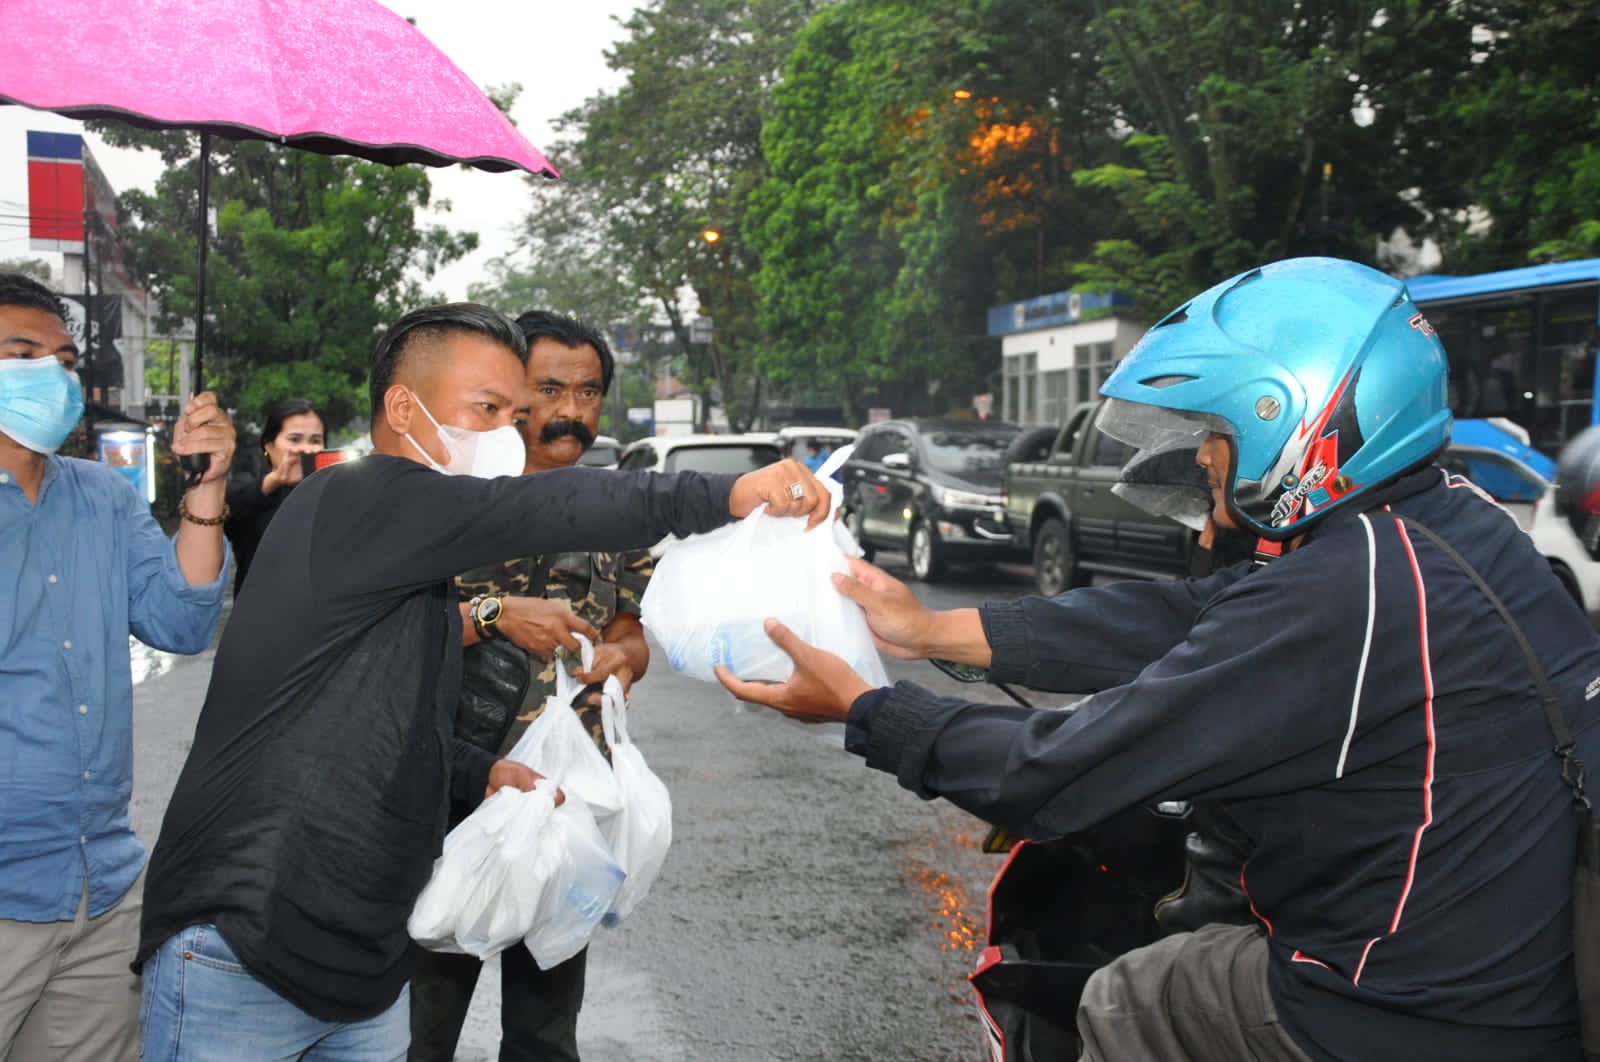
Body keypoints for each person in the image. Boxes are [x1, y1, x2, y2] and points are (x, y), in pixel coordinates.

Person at [719, 258, 1600, 1061]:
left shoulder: (1343, 592)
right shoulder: (1449, 523)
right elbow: (1190, 616)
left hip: (1398, 1017)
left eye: (1217, 428)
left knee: (1130, 998)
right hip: (1514, 979)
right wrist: (928, 630)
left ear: (1295, 416)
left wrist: (866, 710)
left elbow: (1055, 775)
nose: (1207, 457)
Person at [134, 302, 829, 1060]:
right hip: (244, 948)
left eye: (515, 413)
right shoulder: (354, 499)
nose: (510, 431)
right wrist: (725, 494)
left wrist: (486, 770)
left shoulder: (416, 574)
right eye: (490, 409)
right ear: (404, 407)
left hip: (362, 975)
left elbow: (401, 716)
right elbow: (547, 504)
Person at [0, 272, 233, 1061]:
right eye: (22, 353)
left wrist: (208, 488)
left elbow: (180, 619)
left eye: (63, 358)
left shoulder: (103, 496)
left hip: (101, 883)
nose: (52, 376)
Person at [409, 310, 647, 1062]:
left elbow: (632, 630)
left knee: (546, 1031)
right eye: (549, 389)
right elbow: (387, 627)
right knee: (419, 1017)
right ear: (512, 392)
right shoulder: (443, 501)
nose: (571, 411)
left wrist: (624, 659)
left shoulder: (620, 515)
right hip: (448, 785)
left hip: (563, 798)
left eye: (589, 391)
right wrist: (494, 614)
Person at [224, 396, 325, 593]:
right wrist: (276, 479)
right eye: (294, 439)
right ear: (269, 446)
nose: (305, 449)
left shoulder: (336, 495)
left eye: (315, 440)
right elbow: (225, 510)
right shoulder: (251, 494)